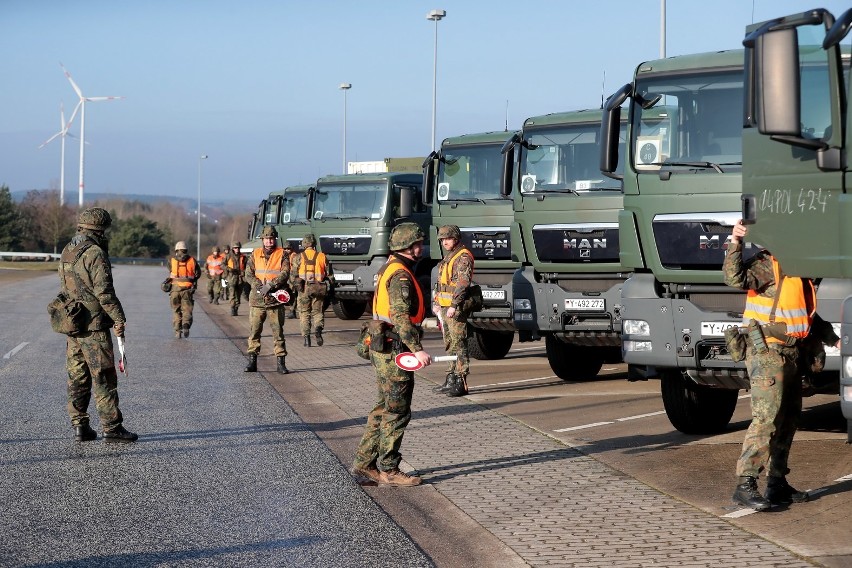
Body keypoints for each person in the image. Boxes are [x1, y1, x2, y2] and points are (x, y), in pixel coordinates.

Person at [724, 219, 840, 511]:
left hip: (792, 354)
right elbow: (734, 278)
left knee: (788, 419)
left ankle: (777, 483)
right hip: (767, 353)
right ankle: (745, 483)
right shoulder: (767, 265)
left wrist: (834, 340)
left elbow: (806, 318)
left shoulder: (801, 275)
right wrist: (735, 242)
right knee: (766, 420)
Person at [352, 222, 432, 487]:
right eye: (417, 243)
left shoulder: (387, 267)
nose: (421, 247)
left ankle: (364, 465)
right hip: (394, 349)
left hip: (382, 347)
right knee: (397, 411)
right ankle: (389, 468)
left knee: (381, 408)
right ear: (407, 246)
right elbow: (399, 317)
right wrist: (417, 350)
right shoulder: (400, 275)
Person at [58, 207, 137, 443]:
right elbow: (104, 293)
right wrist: (119, 318)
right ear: (100, 229)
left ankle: (80, 426)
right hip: (93, 326)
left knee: (77, 377)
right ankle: (112, 428)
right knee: (103, 376)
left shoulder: (68, 249)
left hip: (73, 324)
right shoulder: (95, 253)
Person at [432, 224, 473, 397]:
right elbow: (442, 283)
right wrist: (436, 302)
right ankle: (451, 377)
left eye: (447, 239)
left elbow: (462, 284)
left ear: (456, 238)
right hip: (444, 307)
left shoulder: (463, 257)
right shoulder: (449, 257)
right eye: (442, 239)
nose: (444, 242)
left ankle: (461, 381)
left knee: (459, 344)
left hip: (454, 309)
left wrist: (454, 305)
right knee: (449, 343)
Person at [244, 225, 292, 374]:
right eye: (266, 239)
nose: (269, 241)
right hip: (257, 301)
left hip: (275, 300)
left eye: (271, 239)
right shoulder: (255, 254)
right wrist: (258, 286)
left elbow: (285, 273)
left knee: (278, 332)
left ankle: (281, 363)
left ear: (274, 239)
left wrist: (271, 285)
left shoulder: (282, 254)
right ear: (262, 240)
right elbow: (248, 274)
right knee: (254, 331)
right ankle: (252, 362)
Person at [291, 233, 334, 347]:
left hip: (304, 289)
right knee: (318, 312)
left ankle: (306, 339)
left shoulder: (298, 257)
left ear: (304, 244)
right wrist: (332, 286)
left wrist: (294, 287)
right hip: (318, 288)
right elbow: (330, 275)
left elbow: (293, 275)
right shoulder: (322, 256)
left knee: (304, 313)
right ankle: (318, 331)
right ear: (314, 244)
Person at [168, 241, 201, 338]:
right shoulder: (192, 260)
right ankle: (186, 325)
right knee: (187, 310)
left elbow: (170, 270)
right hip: (187, 289)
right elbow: (198, 274)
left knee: (176, 310)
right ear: (186, 250)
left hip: (175, 289)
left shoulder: (171, 260)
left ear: (176, 250)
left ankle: (178, 331)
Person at [224, 241, 246, 316]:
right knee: (232, 294)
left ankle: (236, 307)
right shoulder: (228, 256)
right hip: (231, 277)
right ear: (233, 248)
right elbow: (222, 265)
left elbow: (247, 267)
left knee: (238, 295)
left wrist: (243, 273)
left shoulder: (243, 257)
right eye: (235, 248)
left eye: (238, 248)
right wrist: (229, 269)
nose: (237, 249)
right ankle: (232, 308)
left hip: (240, 278)